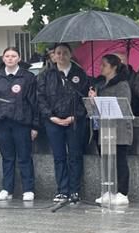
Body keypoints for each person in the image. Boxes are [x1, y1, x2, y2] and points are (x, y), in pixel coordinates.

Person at [37, 43, 90, 203]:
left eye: (64, 53)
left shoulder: (79, 73)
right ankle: (62, 190)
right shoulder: (46, 75)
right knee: (59, 157)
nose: (61, 56)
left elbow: (84, 99)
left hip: (74, 121)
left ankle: (74, 190)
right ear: (54, 55)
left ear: (70, 54)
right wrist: (52, 117)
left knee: (75, 156)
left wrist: (75, 116)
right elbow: (40, 98)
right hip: (53, 121)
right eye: (58, 53)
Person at [0, 47, 39, 201]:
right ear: (3, 58)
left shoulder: (28, 77)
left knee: (24, 156)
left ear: (19, 58)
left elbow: (34, 102)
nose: (10, 58)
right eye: (7, 56)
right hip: (2, 122)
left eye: (13, 56)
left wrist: (35, 125)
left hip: (21, 122)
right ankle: (7, 189)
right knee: (7, 157)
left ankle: (28, 189)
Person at [89, 54, 133, 205]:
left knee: (120, 160)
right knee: (106, 160)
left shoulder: (122, 84)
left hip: (119, 129)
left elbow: (122, 106)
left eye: (104, 65)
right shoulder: (100, 84)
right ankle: (107, 190)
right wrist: (93, 100)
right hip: (104, 128)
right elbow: (97, 109)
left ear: (113, 67)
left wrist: (100, 102)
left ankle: (122, 192)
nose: (101, 67)